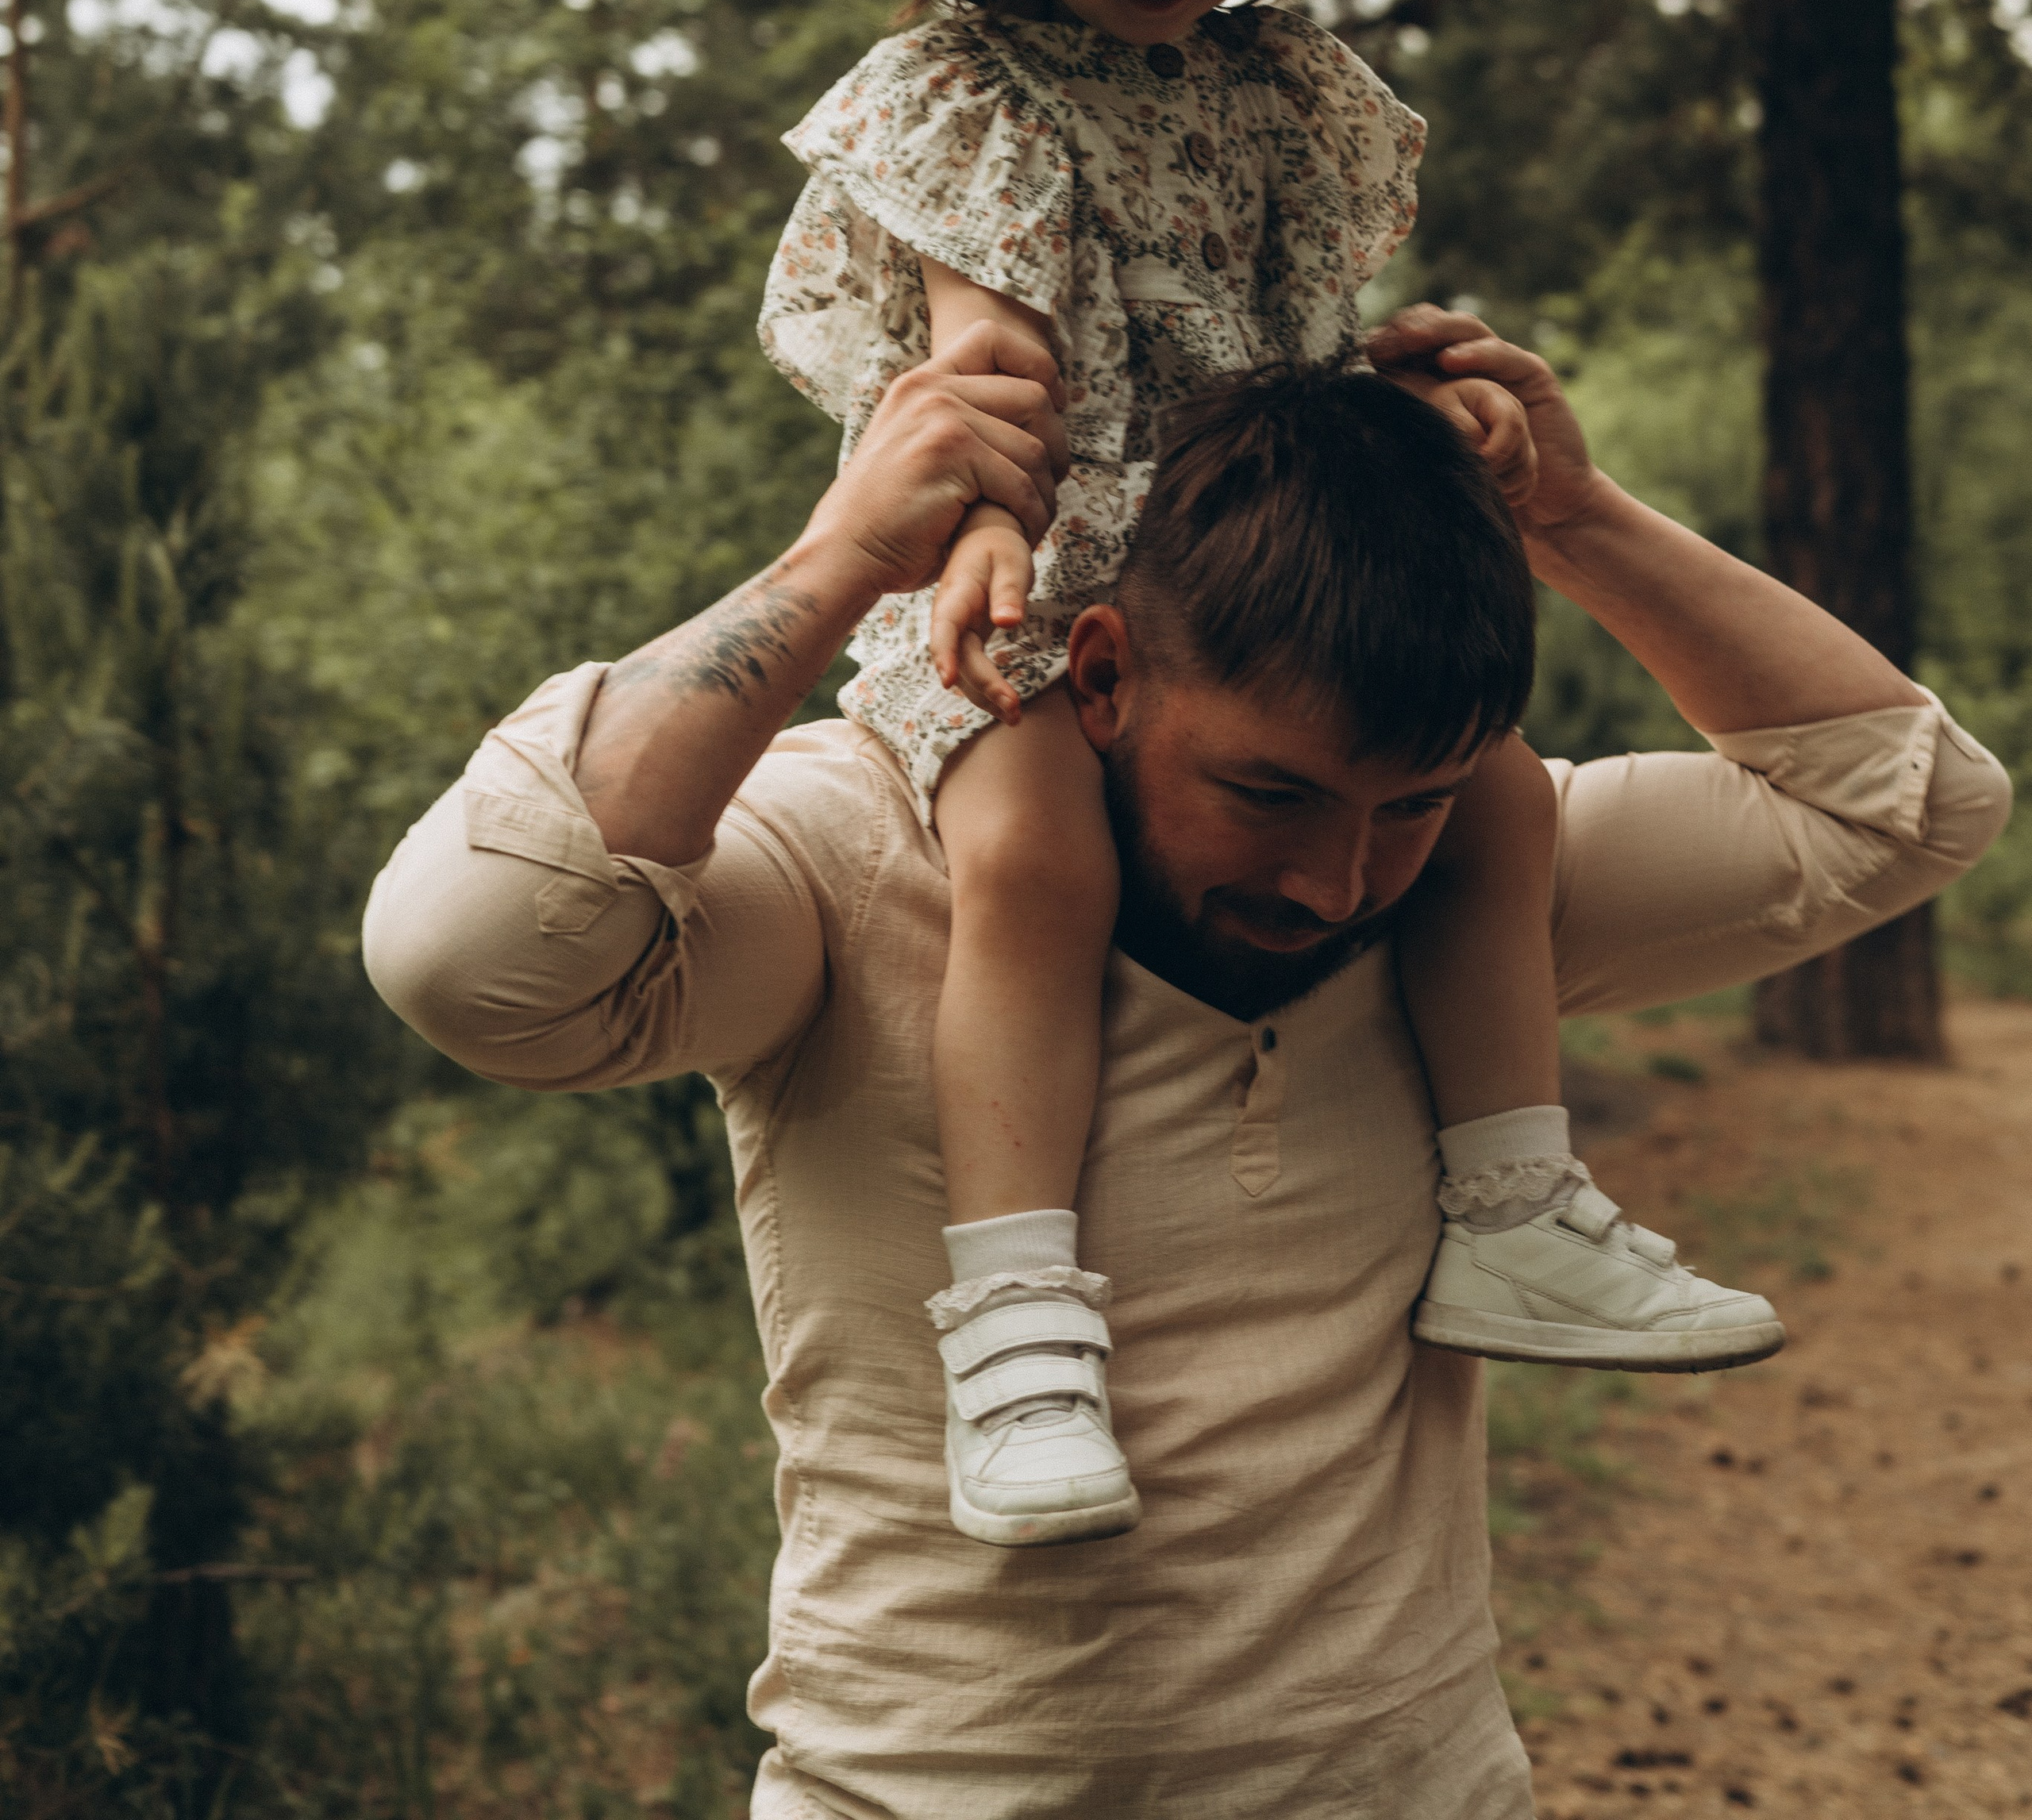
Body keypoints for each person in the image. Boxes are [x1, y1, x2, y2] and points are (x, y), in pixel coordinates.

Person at [362, 310, 2008, 1820]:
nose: (1333, 883)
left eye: (1413, 804)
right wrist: (839, 560)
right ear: (1099, 675)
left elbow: (1901, 804)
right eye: (1268, 796)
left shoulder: (1461, 919)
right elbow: (473, 957)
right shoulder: (855, 858)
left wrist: (1573, 520)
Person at [761, 0, 1745, 1550]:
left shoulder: (1286, 91)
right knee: (1028, 842)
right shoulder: (968, 95)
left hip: (1264, 555)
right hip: (1033, 542)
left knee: (1484, 793)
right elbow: (986, 362)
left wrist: (1417, 413)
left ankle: (1511, 1198)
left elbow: (1293, 343)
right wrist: (983, 532)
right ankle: (1021, 1325)